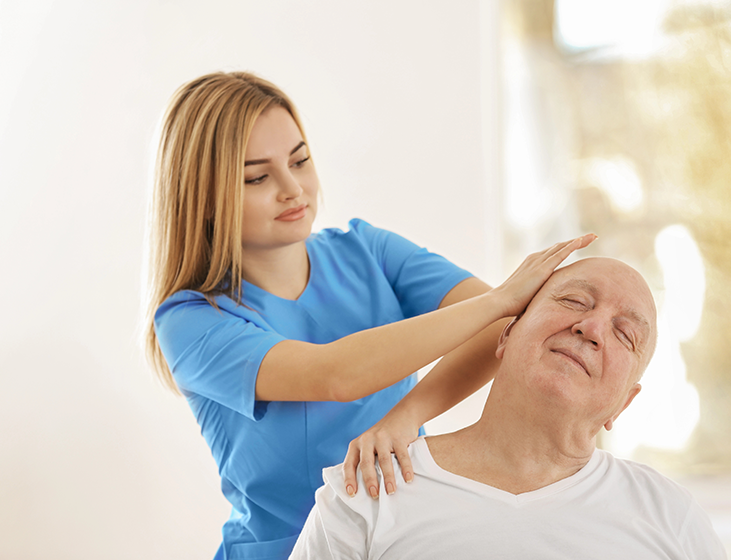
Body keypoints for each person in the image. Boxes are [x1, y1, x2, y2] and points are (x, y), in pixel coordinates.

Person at [143, 70, 596, 559]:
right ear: (202, 197)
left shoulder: (369, 251)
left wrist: (406, 418)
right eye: (257, 177)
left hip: (400, 542)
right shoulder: (189, 320)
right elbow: (338, 375)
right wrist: (500, 298)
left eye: (301, 160)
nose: (293, 188)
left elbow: (503, 334)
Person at [290, 257, 728, 559]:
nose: (591, 327)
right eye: (575, 301)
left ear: (624, 403)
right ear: (504, 335)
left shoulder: (671, 517)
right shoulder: (370, 492)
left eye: (625, 334)